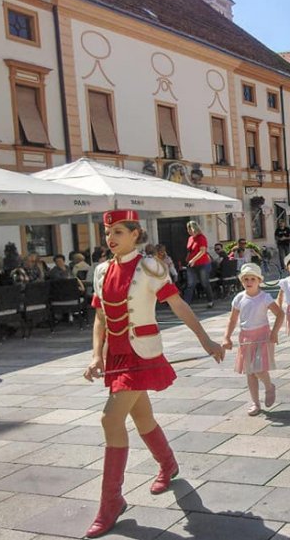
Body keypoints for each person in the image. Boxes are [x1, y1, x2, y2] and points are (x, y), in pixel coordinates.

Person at [83, 209, 224, 538]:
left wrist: (206, 340)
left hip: (141, 353)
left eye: (118, 232)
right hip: (116, 355)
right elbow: (100, 319)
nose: (111, 238)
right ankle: (168, 464)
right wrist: (95, 356)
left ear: (135, 234)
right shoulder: (101, 271)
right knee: (141, 417)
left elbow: (178, 305)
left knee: (110, 419)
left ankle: (111, 501)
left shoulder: (149, 267)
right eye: (108, 232)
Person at [222, 263, 283, 415]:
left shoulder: (265, 297)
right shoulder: (239, 298)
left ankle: (269, 387)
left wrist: (274, 332)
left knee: (259, 368)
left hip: (262, 336)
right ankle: (255, 403)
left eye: (252, 279)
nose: (249, 282)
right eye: (246, 279)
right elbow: (232, 319)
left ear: (259, 281)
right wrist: (226, 337)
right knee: (250, 371)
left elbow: (280, 314)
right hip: (246, 337)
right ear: (242, 281)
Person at [184, 220, 214, 308]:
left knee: (204, 283)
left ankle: (210, 301)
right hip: (191, 265)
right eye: (188, 230)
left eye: (190, 229)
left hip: (203, 264)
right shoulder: (190, 239)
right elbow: (190, 250)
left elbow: (202, 251)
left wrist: (193, 260)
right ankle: (186, 303)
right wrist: (188, 258)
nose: (188, 231)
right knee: (190, 284)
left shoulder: (201, 238)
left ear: (194, 229)